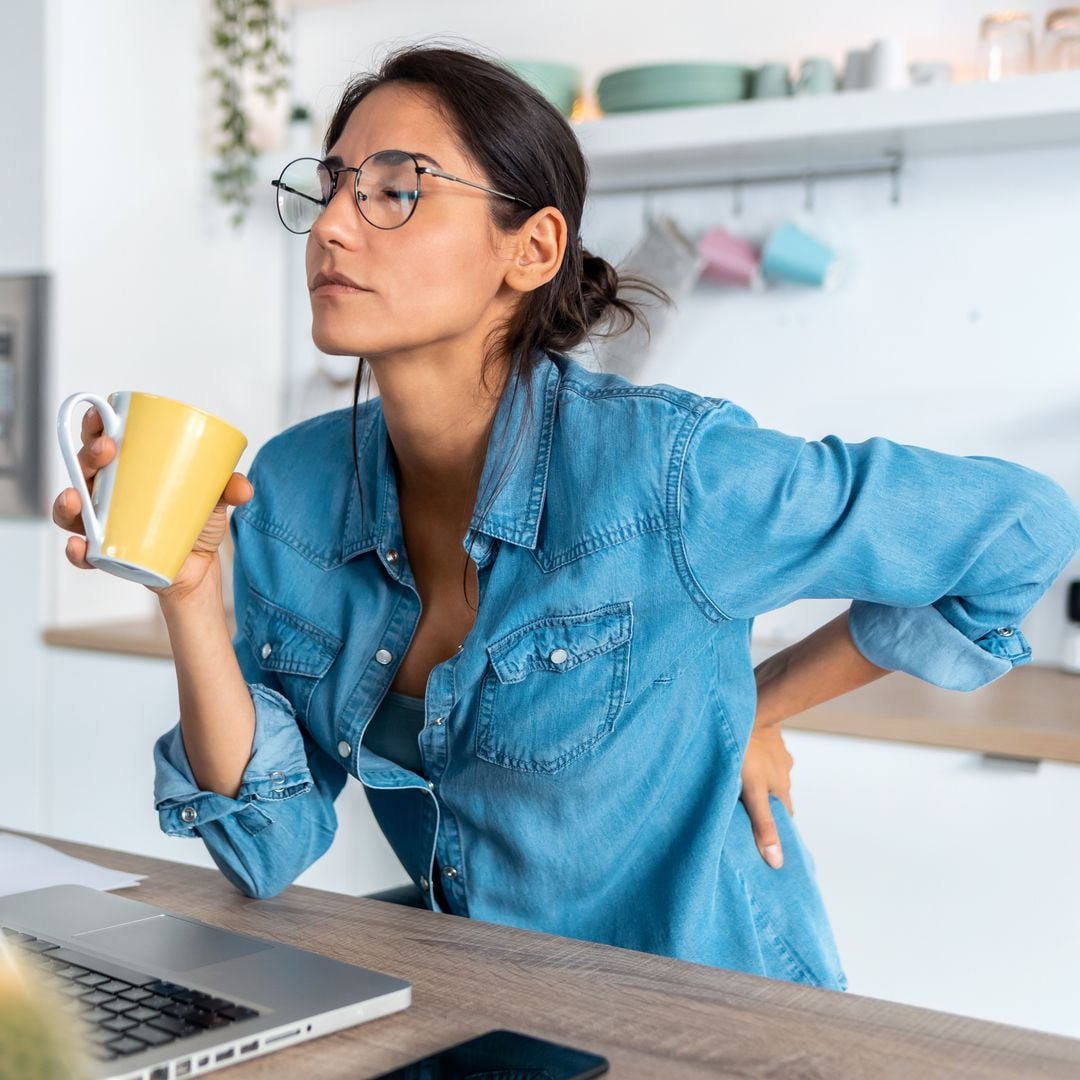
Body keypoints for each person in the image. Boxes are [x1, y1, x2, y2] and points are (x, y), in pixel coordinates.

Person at [52, 43, 1080, 991]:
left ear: (533, 247)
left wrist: (751, 711)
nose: (331, 223)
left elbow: (1020, 528)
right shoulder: (291, 490)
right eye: (329, 186)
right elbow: (264, 843)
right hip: (492, 1005)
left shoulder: (670, 471)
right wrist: (187, 592)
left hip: (718, 1017)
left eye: (397, 189)